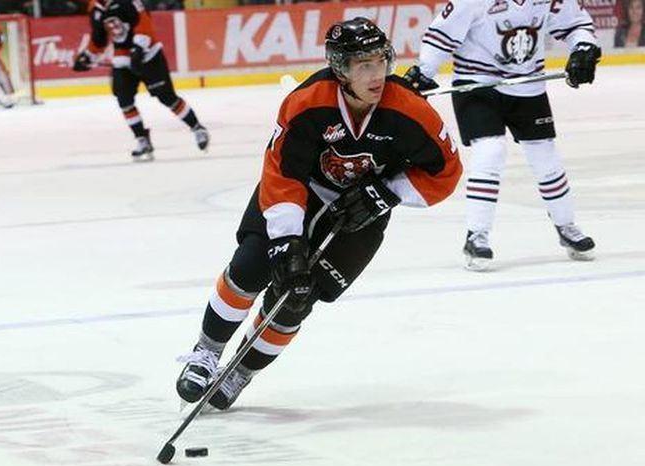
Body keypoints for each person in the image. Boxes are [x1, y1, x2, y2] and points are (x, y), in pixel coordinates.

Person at [175, 17, 463, 410]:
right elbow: (283, 170)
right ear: (340, 69)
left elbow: (446, 171)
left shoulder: (410, 110)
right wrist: (287, 240)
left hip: (361, 214)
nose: (375, 74)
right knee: (251, 266)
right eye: (363, 65)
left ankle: (241, 371)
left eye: (380, 61)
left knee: (297, 299)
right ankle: (206, 353)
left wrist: (386, 193)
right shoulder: (308, 102)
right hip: (300, 194)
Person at [404, 0, 600, 270]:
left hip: (528, 85)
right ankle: (477, 235)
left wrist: (584, 48)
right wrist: (424, 71)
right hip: (476, 83)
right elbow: (442, 33)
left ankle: (567, 226)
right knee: (490, 150)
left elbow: (576, 22)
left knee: (545, 155)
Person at [72, 0, 209, 161]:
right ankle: (142, 139)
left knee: (167, 97)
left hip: (149, 55)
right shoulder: (95, 8)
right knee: (124, 100)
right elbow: (99, 38)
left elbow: (143, 22)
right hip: (123, 59)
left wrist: (138, 48)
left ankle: (197, 128)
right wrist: (87, 57)